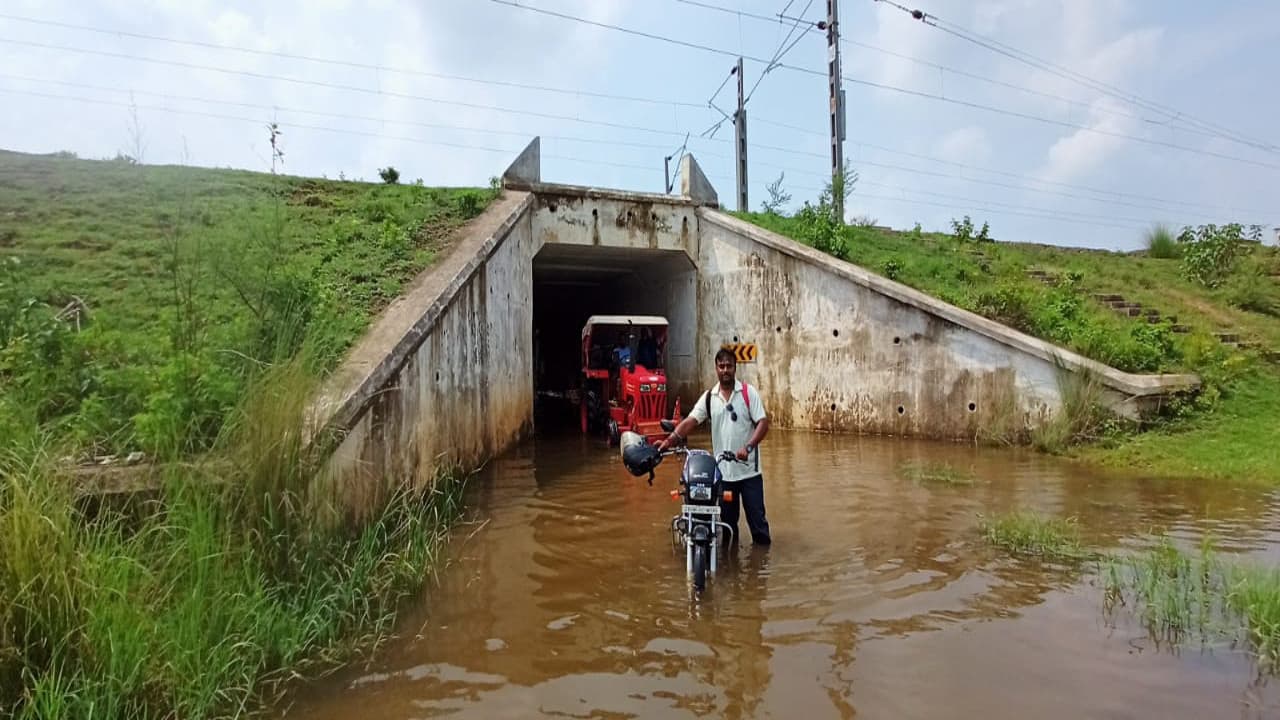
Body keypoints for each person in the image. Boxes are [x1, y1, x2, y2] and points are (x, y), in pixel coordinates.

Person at [656, 348, 771, 546]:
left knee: (758, 527)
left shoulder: (747, 392)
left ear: (735, 368)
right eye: (722, 366)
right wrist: (668, 441)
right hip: (724, 476)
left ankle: (761, 570)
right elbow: (691, 421)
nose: (725, 370)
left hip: (750, 474)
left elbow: (763, 423)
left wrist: (749, 447)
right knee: (727, 528)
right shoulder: (710, 397)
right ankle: (730, 567)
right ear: (716, 369)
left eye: (729, 366)